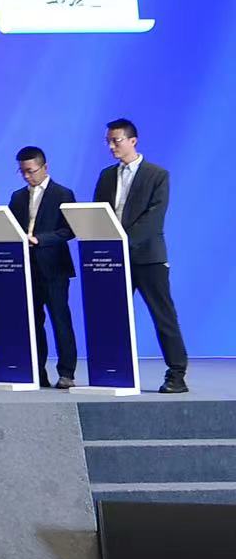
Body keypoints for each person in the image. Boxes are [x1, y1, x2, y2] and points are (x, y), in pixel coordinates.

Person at [96, 118, 187, 394]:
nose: (111, 146)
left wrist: (124, 242)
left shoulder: (157, 175)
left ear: (133, 141)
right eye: (108, 141)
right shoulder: (107, 175)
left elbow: (154, 218)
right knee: (110, 314)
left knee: (163, 315)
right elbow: (100, 212)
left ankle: (177, 373)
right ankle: (112, 369)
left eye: (116, 141)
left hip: (148, 257)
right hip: (113, 258)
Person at [12, 146, 78, 390]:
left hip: (54, 268)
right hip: (27, 267)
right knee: (32, 322)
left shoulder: (63, 193)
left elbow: (69, 230)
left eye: (30, 171)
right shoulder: (17, 197)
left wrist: (40, 239)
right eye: (22, 172)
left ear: (45, 167)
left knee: (60, 320)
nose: (27, 176)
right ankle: (36, 370)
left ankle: (67, 372)